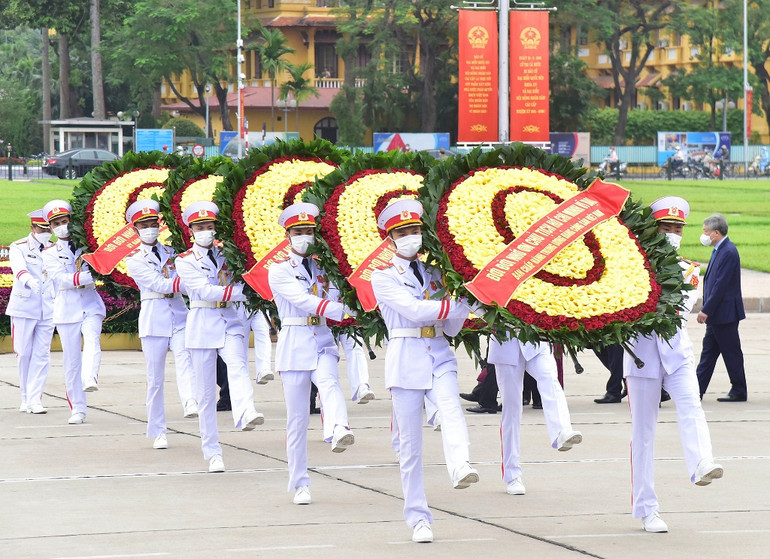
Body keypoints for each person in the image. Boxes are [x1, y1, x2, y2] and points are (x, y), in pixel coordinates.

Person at [370, 199, 478, 544]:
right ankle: (418, 518)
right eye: (403, 232)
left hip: (439, 354)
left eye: (415, 230)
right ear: (390, 238)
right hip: (406, 361)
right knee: (411, 447)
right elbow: (415, 310)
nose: (411, 237)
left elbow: (449, 327)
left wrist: (470, 300)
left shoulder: (436, 274)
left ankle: (460, 464)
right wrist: (457, 302)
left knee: (451, 409)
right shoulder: (382, 277)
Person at [624, 197, 723, 533]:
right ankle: (647, 508)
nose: (672, 233)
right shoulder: (630, 266)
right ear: (653, 229)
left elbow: (676, 310)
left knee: (692, 407)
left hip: (677, 353)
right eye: (666, 227)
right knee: (643, 434)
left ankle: (701, 464)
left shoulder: (690, 270)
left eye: (678, 228)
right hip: (642, 357)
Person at [268, 202, 356, 506]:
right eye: (299, 231)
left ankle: (338, 428)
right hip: (294, 343)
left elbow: (335, 294)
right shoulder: (278, 270)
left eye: (309, 231)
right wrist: (343, 311)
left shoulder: (324, 268)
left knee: (330, 382)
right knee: (297, 420)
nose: (305, 236)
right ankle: (300, 482)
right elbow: (302, 300)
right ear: (288, 235)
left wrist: (352, 304)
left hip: (322, 338)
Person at [174, 201, 264, 473]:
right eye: (200, 227)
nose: (206, 232)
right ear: (191, 230)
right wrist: (241, 293)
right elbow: (204, 291)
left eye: (209, 227)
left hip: (230, 322)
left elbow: (245, 276)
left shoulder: (230, 255)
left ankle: (246, 411)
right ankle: (212, 451)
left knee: (237, 366)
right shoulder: (184, 261)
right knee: (204, 395)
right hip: (202, 325)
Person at [124, 199, 198, 451]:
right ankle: (158, 430)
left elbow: (185, 276)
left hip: (179, 314)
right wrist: (192, 284)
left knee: (185, 357)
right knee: (155, 379)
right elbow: (160, 284)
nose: (150, 228)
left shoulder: (172, 253)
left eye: (153, 223)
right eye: (143, 225)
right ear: (135, 229)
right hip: (154, 318)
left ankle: (190, 400)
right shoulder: (134, 259)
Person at [488, 336, 583, 496]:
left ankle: (562, 431)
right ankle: (512, 475)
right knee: (511, 408)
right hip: (506, 343)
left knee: (549, 378)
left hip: (537, 340)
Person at [41, 200, 106, 424]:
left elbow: (101, 264)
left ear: (71, 221)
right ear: (51, 228)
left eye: (64, 221)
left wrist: (98, 273)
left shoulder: (87, 243)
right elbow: (61, 279)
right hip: (67, 308)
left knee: (92, 340)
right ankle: (77, 409)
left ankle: (90, 377)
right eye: (56, 223)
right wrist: (92, 277)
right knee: (71, 361)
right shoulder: (49, 252)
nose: (62, 226)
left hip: (90, 304)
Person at [6, 210, 55, 414]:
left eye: (48, 229)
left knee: (42, 354)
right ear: (32, 228)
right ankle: (25, 397)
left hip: (48, 308)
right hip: (24, 306)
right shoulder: (19, 247)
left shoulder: (55, 248)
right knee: (24, 352)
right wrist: (30, 281)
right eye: (41, 229)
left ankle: (35, 399)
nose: (45, 233)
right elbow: (19, 269)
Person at [695, 213, 747, 402]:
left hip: (724, 314)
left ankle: (739, 389)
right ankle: (696, 391)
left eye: (706, 232)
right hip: (718, 315)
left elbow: (720, 286)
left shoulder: (728, 252)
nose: (704, 235)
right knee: (708, 353)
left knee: (730, 353)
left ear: (715, 233)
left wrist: (706, 310)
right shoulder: (720, 249)